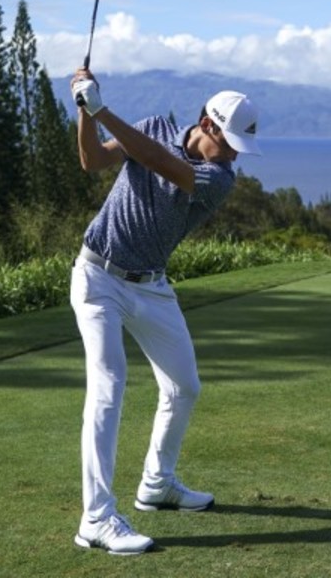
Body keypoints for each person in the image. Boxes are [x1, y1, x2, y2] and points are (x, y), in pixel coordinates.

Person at [67, 67, 261, 555]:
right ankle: (96, 519)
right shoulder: (153, 126)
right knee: (109, 386)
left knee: (184, 386)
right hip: (97, 277)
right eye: (230, 143)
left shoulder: (219, 178)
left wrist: (101, 108)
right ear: (207, 124)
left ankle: (156, 483)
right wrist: (84, 110)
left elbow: (159, 162)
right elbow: (92, 160)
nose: (235, 154)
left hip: (151, 287)